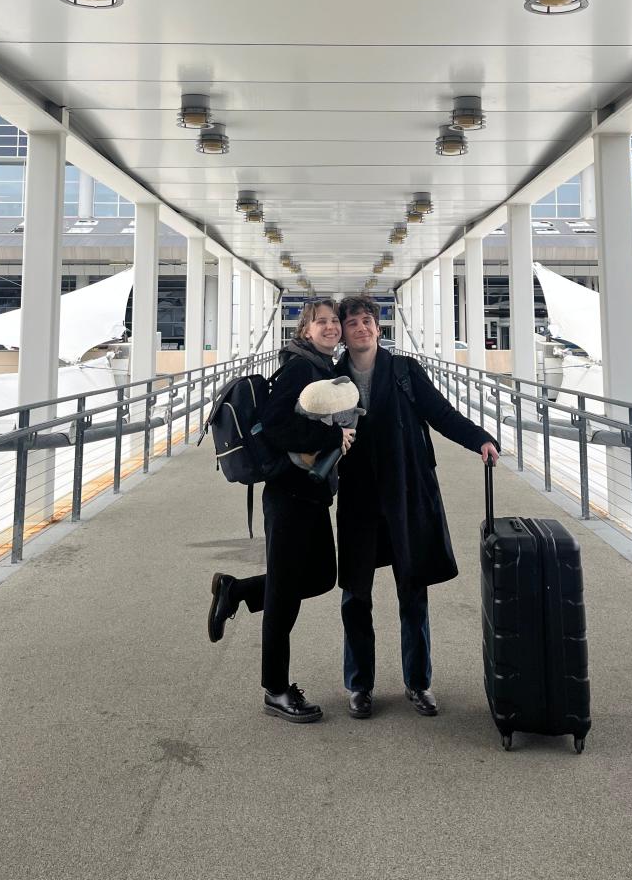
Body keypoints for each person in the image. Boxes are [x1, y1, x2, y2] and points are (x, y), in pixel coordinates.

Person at [335, 295, 499, 720]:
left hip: (405, 493)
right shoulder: (332, 379)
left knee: (413, 589)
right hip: (357, 499)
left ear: (378, 328)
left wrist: (479, 437)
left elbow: (440, 413)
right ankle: (359, 685)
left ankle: (418, 683)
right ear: (343, 332)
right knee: (356, 595)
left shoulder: (404, 371)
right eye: (352, 322)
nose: (361, 328)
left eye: (368, 320)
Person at [206, 300, 355, 723]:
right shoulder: (300, 368)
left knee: (322, 576)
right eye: (319, 322)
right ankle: (276, 689)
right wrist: (333, 437)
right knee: (286, 596)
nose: (329, 328)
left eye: (333, 322)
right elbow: (274, 423)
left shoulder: (323, 367)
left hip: (310, 494)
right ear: (305, 330)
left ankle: (237, 591)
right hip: (289, 494)